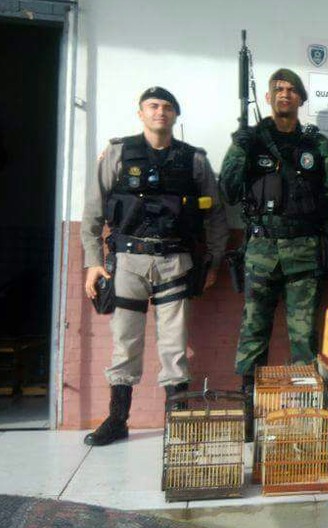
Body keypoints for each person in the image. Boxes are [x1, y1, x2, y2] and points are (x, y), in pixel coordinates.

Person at [80, 86, 228, 446]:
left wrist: (213, 262)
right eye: (152, 106)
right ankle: (117, 419)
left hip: (175, 262)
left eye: (166, 107)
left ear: (176, 115)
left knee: (174, 347)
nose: (159, 112)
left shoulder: (193, 160)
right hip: (128, 262)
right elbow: (93, 213)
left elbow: (217, 216)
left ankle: (177, 421)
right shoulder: (117, 153)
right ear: (141, 113)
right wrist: (92, 263)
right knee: (124, 344)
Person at [218, 69, 328, 435]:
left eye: (292, 90)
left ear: (301, 99)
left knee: (303, 337)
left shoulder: (317, 145)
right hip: (261, 250)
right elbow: (227, 190)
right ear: (267, 97)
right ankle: (249, 410)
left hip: (304, 252)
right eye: (278, 89)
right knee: (253, 331)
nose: (285, 95)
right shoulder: (252, 140)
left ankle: (305, 414)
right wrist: (239, 147)